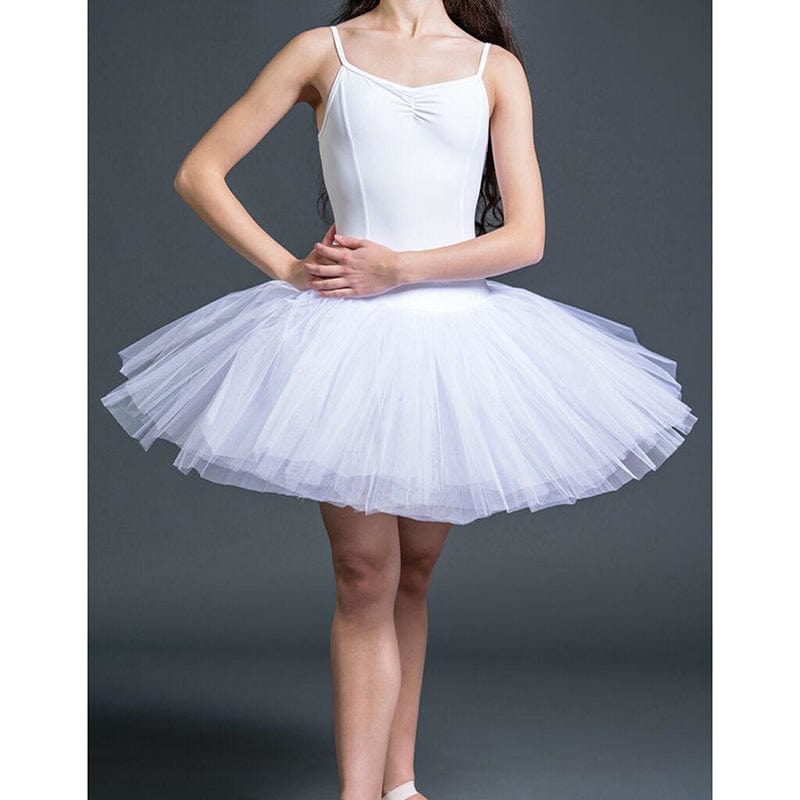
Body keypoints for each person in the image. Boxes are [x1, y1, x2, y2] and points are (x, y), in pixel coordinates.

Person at [100, 2, 697, 798]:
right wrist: (290, 271)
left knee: (413, 572)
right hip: (346, 343)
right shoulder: (322, 51)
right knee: (363, 573)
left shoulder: (493, 68)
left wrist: (399, 270)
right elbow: (198, 173)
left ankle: (399, 786)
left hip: (453, 343)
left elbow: (526, 237)